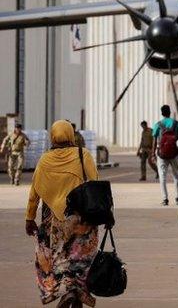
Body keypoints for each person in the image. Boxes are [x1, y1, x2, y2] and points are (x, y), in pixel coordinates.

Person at [25, 120, 100, 307]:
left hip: (54, 221)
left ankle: (67, 292)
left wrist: (30, 217)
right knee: (81, 259)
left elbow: (34, 192)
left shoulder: (45, 160)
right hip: (82, 218)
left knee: (60, 259)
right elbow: (95, 184)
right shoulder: (83, 155)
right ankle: (74, 294)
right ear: (70, 135)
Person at [152, 105, 178, 206]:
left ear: (162, 113)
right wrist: (176, 149)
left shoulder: (158, 124)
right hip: (174, 153)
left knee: (162, 176)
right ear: (170, 112)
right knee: (177, 175)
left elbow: (154, 140)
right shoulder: (176, 123)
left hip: (162, 154)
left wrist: (153, 154)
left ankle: (165, 199)